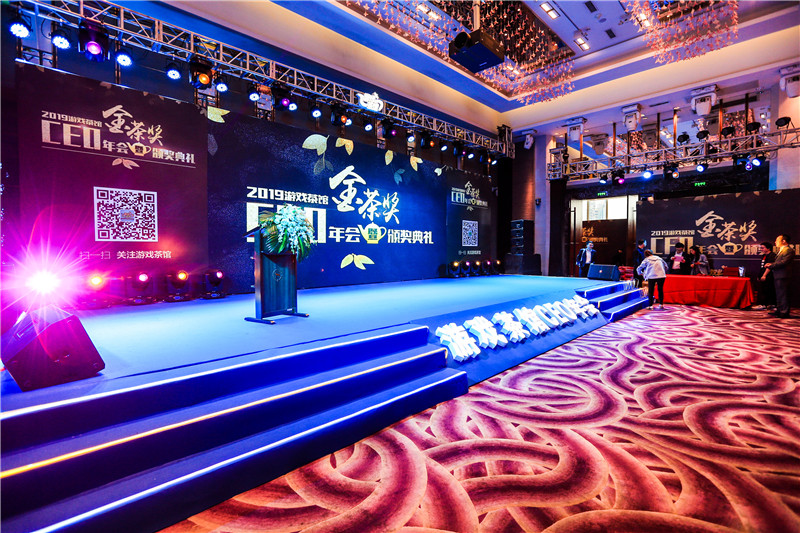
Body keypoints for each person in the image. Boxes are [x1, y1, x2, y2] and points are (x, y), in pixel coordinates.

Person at [764, 234, 795, 318]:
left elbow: (784, 262)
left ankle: (784, 312)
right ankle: (779, 310)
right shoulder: (781, 250)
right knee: (779, 294)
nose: (775, 242)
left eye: (777, 240)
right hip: (778, 275)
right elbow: (779, 262)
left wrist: (771, 265)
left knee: (783, 294)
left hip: (783, 275)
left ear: (783, 241)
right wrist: (771, 264)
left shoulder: (789, 250)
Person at [753, 241, 776, 310]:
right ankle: (763, 304)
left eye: (763, 248)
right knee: (762, 289)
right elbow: (762, 267)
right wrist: (759, 276)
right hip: (762, 274)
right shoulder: (764, 256)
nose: (761, 249)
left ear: (768, 248)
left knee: (768, 290)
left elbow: (769, 266)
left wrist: (764, 275)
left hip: (769, 276)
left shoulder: (772, 255)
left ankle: (767, 304)